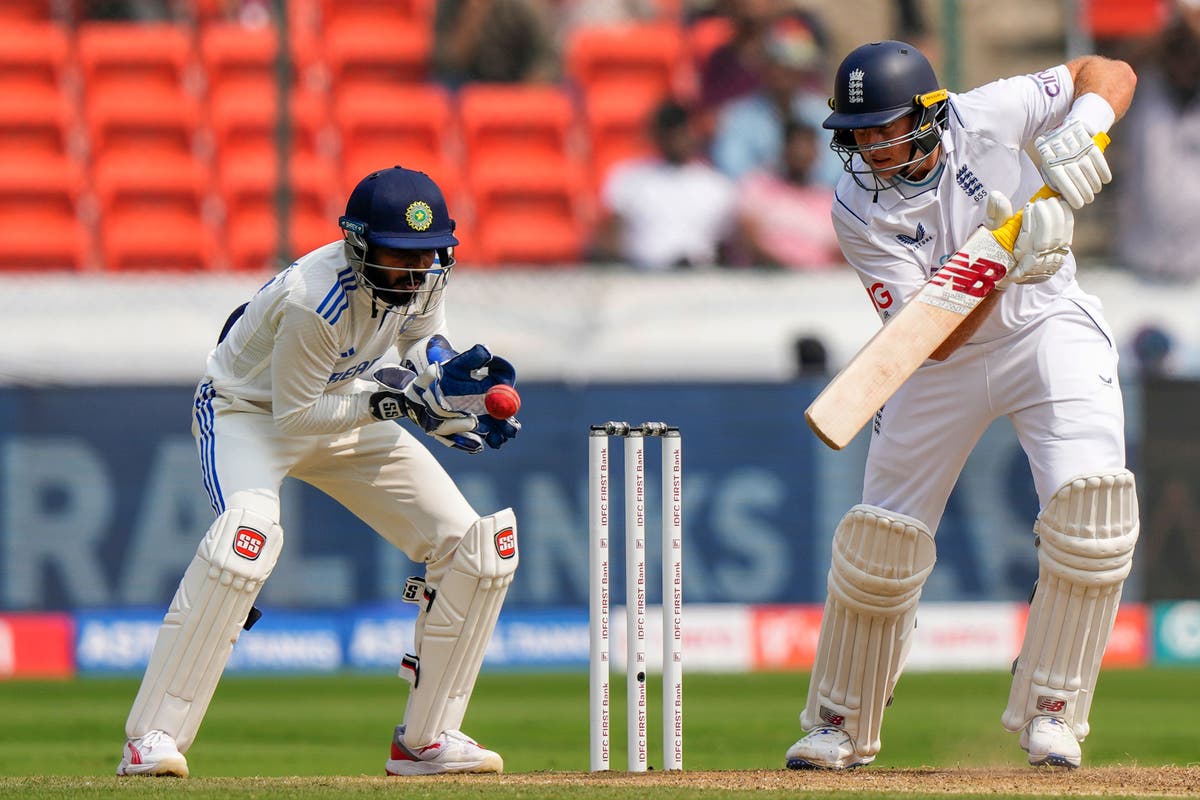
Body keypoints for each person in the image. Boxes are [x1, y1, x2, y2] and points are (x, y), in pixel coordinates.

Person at [785, 42, 1138, 771]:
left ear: (929, 112)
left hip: (1048, 327)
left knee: (1091, 514)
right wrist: (1005, 266)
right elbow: (930, 340)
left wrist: (1088, 119)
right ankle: (840, 723)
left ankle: (1054, 710)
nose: (871, 147)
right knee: (881, 541)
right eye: (858, 133)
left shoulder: (988, 114)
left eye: (885, 127)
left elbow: (1108, 70)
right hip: (935, 359)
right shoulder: (855, 207)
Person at [116, 167, 522, 777]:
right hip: (249, 414)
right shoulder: (317, 299)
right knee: (242, 546)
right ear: (358, 246)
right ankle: (151, 739)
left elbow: (421, 336)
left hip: (340, 405)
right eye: (397, 255)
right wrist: (399, 403)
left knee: (476, 547)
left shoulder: (422, 275)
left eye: (425, 256)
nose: (414, 272)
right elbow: (297, 416)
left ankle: (426, 741)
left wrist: (440, 380)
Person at [592, 99, 736, 270]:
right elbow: (610, 236)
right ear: (658, 135)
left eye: (682, 131)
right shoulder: (629, 178)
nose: (676, 139)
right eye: (670, 132)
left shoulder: (717, 185)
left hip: (698, 277)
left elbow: (727, 246)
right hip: (641, 275)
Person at [1115, 0, 1200, 283]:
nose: (1187, 59)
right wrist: (1173, 28)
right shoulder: (1144, 85)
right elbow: (1117, 67)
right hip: (1140, 264)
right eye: (1181, 49)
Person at [709, 11, 842, 187]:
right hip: (758, 207)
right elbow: (733, 169)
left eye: (792, 63)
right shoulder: (737, 117)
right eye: (777, 61)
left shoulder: (825, 115)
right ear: (764, 66)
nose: (784, 71)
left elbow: (836, 170)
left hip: (818, 206)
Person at [732, 119, 841, 269]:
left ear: (817, 153)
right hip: (765, 279)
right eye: (796, 146)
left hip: (816, 282)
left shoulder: (829, 200)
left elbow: (840, 253)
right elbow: (747, 238)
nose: (801, 153)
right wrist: (783, 269)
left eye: (808, 146)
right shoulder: (758, 187)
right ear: (783, 149)